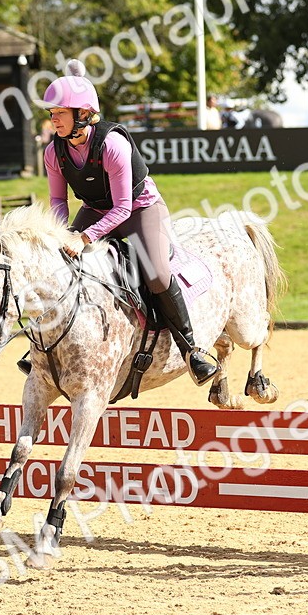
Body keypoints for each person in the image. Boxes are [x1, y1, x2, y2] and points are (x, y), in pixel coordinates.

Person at [38, 59, 219, 386]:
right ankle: (44, 353)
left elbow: (122, 208)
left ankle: (193, 351)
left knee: (156, 274)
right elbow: (57, 201)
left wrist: (84, 238)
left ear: (83, 114)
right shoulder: (54, 152)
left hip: (139, 209)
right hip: (95, 209)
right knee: (57, 265)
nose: (53, 121)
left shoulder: (112, 144)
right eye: (51, 114)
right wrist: (59, 235)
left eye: (59, 114)